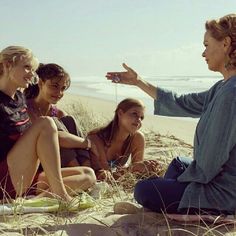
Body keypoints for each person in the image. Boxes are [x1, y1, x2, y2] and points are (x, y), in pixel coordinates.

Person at [106, 14, 236, 215]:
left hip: (225, 192)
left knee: (144, 190)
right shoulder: (221, 87)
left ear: (226, 44)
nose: (203, 53)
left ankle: (179, 209)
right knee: (178, 163)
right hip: (219, 177)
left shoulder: (231, 94)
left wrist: (175, 184)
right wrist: (138, 81)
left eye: (207, 45)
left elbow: (210, 164)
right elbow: (180, 103)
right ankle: (170, 204)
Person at [0, 46, 96, 202]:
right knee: (46, 123)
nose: (32, 74)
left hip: (27, 173)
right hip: (6, 179)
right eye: (26, 67)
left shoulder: (18, 97)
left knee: (88, 175)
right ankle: (61, 195)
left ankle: (33, 200)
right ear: (6, 65)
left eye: (32, 69)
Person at [24, 63, 91, 167]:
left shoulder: (60, 114)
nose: (59, 92)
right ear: (41, 83)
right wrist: (88, 143)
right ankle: (79, 171)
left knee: (70, 120)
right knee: (53, 130)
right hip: (38, 161)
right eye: (54, 86)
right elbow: (55, 138)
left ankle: (88, 169)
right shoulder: (26, 109)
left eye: (63, 88)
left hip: (60, 162)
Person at [88, 98, 160, 181]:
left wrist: (147, 168)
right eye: (134, 114)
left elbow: (135, 176)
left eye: (141, 117)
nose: (138, 120)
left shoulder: (137, 138)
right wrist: (132, 168)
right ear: (120, 113)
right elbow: (105, 178)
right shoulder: (97, 139)